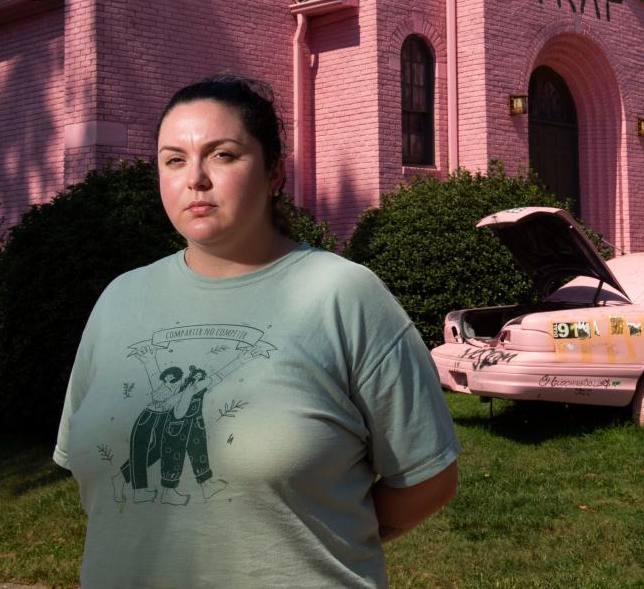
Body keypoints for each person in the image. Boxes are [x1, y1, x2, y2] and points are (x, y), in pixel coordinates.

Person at [54, 74, 460, 588]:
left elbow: (430, 478)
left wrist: (325, 536)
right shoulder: (118, 301)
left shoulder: (344, 296)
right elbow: (93, 472)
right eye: (174, 159)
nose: (195, 178)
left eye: (222, 155)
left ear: (274, 173)